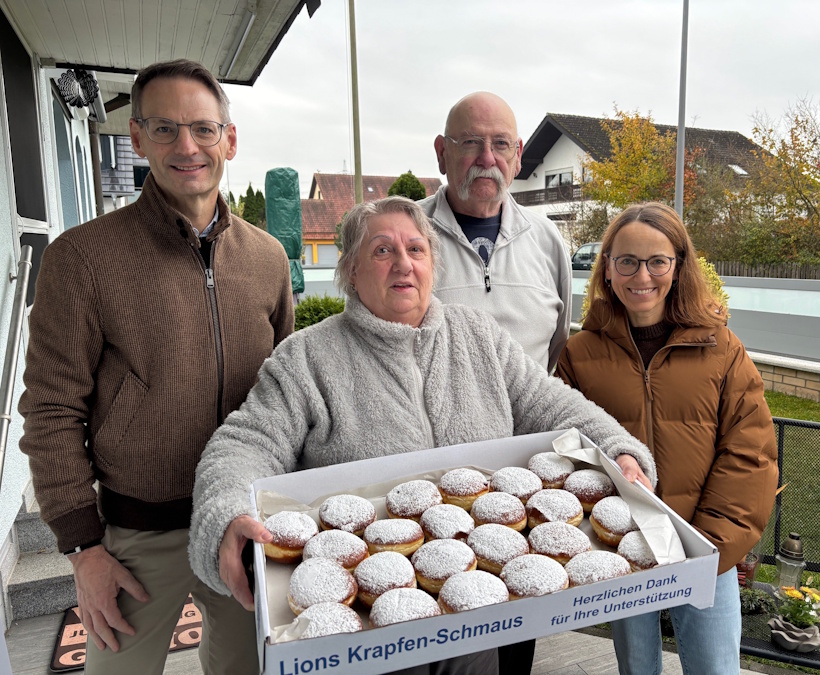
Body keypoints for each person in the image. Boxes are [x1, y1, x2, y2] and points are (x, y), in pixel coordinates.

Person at [188, 196, 656, 675]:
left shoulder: (479, 335)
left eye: (416, 249)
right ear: (350, 270)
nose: (403, 264)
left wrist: (618, 449)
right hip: (364, 632)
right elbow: (246, 442)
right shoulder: (307, 358)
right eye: (382, 251)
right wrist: (227, 514)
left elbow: (550, 402)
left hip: (471, 608)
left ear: (434, 264)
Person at [18, 59, 294, 674]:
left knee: (248, 672)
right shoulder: (83, 258)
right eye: (164, 129)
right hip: (137, 538)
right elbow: (51, 409)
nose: (187, 146)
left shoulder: (268, 257)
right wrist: (83, 546)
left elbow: (284, 392)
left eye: (202, 128)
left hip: (241, 522)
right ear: (137, 138)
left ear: (230, 137)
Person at [556, 202, 778, 675]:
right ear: (609, 270)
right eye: (627, 261)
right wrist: (608, 534)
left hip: (706, 548)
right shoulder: (580, 353)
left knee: (715, 669)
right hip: (625, 549)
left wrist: (710, 546)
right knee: (637, 669)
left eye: (657, 261)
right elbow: (566, 452)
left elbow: (750, 450)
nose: (643, 275)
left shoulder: (720, 348)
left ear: (677, 267)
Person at [420, 92, 571, 372]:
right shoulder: (404, 236)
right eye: (470, 143)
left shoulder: (547, 239)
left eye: (501, 144)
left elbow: (556, 349)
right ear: (442, 153)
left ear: (518, 156)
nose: (487, 159)